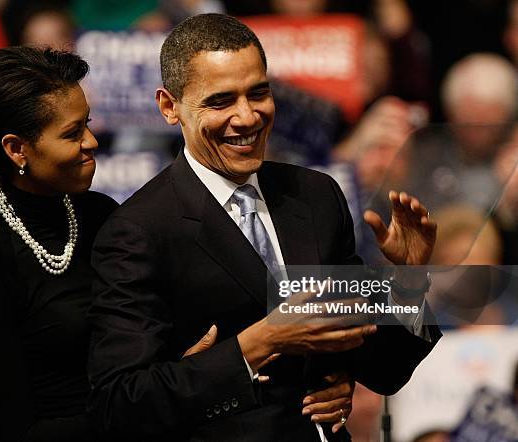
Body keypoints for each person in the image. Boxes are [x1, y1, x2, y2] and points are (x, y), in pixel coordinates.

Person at [88, 13, 441, 442]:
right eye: (220, 102)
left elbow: (383, 369)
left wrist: (407, 281)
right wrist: (258, 343)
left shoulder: (315, 196)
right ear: (169, 106)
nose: (248, 116)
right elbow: (123, 403)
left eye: (259, 93)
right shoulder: (138, 231)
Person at [0, 47, 119, 442]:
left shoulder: (101, 214)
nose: (91, 142)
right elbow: (14, 430)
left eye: (87, 124)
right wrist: (142, 413)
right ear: (16, 148)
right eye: (72, 133)